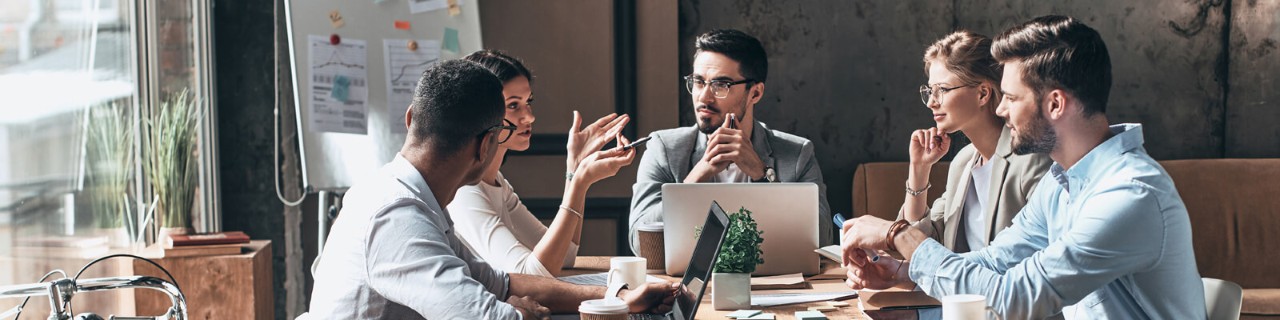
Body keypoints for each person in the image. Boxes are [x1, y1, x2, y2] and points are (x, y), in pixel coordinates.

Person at [840, 16, 1205, 318]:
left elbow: (1016, 297)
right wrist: (901, 272)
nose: (1001, 109)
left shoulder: (1129, 195)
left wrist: (900, 235)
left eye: (1012, 98)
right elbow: (995, 262)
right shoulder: (1062, 182)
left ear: (1056, 104)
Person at [307, 59, 678, 319]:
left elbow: (503, 283)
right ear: (486, 145)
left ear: (410, 119)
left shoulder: (407, 194)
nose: (527, 117)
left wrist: (621, 297)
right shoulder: (398, 215)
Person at [629, 29, 832, 254]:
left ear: (755, 93)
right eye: (698, 82)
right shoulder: (664, 149)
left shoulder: (797, 155)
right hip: (689, 286)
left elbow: (821, 240)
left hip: (775, 285)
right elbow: (640, 244)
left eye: (720, 85)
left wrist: (762, 175)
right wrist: (695, 178)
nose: (704, 97)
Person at [448, 50, 634, 276]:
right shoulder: (465, 191)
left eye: (529, 102)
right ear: (481, 111)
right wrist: (579, 182)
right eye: (514, 105)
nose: (530, 117)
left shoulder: (496, 183)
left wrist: (574, 168)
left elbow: (564, 256)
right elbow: (533, 276)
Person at [900, 31, 1053, 253]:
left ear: (983, 93)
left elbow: (1041, 256)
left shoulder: (1032, 161)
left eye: (941, 90)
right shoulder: (963, 163)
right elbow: (921, 245)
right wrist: (919, 170)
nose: (931, 103)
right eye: (929, 91)